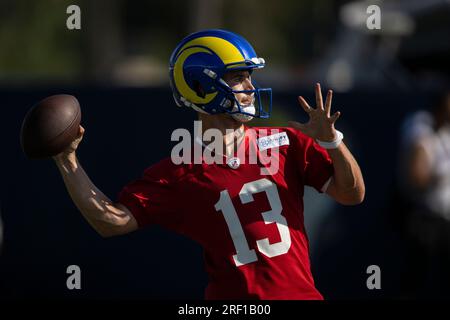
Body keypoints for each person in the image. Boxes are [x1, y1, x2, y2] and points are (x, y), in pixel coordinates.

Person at [53, 29, 365, 300]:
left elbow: (352, 194)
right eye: (239, 76)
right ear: (201, 86)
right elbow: (112, 221)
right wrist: (67, 160)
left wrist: (332, 142)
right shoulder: (181, 169)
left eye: (249, 76)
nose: (250, 88)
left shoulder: (285, 141)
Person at [396, 90, 450, 298]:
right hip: (424, 218)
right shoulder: (420, 124)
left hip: (445, 219)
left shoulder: (446, 132)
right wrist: (435, 175)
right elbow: (417, 175)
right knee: (418, 280)